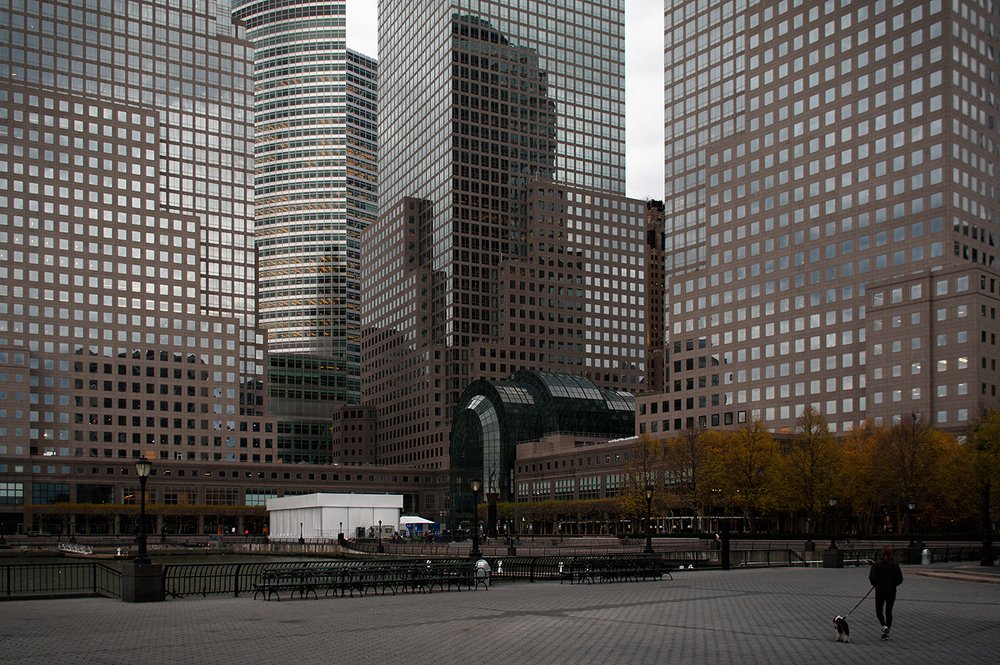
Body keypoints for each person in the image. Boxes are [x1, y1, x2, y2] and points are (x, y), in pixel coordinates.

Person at [868, 545, 904, 640]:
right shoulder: (894, 565)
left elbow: (872, 577)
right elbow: (900, 579)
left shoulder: (877, 565)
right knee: (889, 611)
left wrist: (875, 584)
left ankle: (883, 625)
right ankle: (887, 630)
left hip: (880, 590)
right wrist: (893, 584)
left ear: (881, 554)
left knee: (879, 611)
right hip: (891, 591)